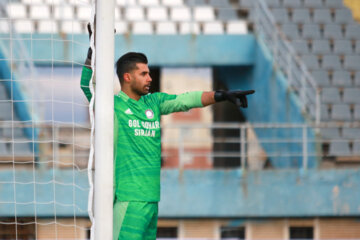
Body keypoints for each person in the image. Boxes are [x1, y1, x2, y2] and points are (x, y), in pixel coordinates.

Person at [81, 50, 254, 239]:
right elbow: (87, 86)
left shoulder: (154, 102)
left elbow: (184, 100)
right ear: (127, 77)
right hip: (128, 198)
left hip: (152, 199)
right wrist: (92, 54)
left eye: (149, 73)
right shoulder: (113, 105)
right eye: (143, 74)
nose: (149, 79)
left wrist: (220, 95)